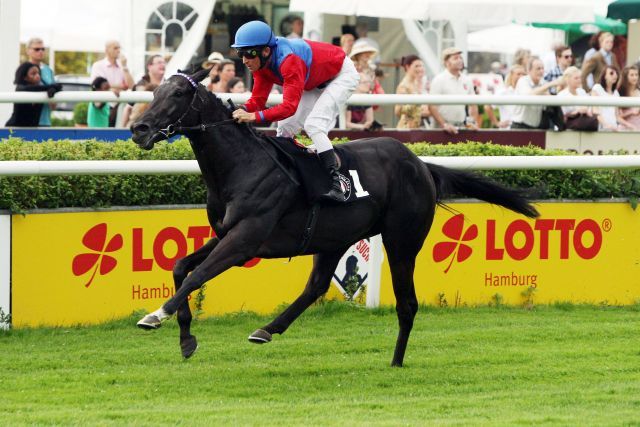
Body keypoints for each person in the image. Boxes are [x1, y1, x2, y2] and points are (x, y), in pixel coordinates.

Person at [230, 20, 359, 202]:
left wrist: (252, 116)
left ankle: (338, 182)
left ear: (265, 51)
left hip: (341, 75)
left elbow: (289, 107)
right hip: (314, 80)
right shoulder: (260, 63)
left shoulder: (288, 60)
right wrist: (241, 109)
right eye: (240, 53)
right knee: (284, 131)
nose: (244, 60)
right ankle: (287, 177)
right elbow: (258, 101)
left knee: (314, 125)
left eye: (247, 53)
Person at [429, 47, 478, 134]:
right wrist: (444, 124)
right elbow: (432, 106)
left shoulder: (467, 80)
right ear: (446, 62)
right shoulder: (439, 80)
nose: (460, 60)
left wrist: (472, 122)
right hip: (441, 130)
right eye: (455, 58)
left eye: (460, 58)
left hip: (461, 127)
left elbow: (473, 104)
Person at [511, 57, 564, 129]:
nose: (541, 71)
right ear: (529, 71)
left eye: (542, 68)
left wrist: (559, 89)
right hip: (520, 126)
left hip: (536, 128)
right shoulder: (523, 81)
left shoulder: (543, 83)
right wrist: (550, 84)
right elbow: (529, 95)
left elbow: (549, 100)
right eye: (538, 69)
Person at [90, 40, 135, 127]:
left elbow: (132, 86)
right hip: (104, 107)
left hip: (120, 106)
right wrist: (122, 86)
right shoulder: (98, 65)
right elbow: (99, 85)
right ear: (107, 50)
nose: (118, 50)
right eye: (115, 48)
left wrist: (125, 66)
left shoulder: (122, 65)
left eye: (119, 48)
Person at [5, 62, 62, 127]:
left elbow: (57, 87)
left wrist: (53, 89)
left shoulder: (41, 89)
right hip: (14, 128)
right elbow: (33, 88)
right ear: (24, 77)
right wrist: (53, 88)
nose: (37, 76)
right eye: (33, 74)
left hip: (32, 129)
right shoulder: (20, 88)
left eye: (38, 73)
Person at [25, 37, 56, 126]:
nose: (41, 51)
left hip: (45, 122)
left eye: (43, 49)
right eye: (37, 49)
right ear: (28, 51)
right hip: (27, 122)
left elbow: (54, 103)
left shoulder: (48, 70)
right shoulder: (23, 69)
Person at [395, 55, 430, 129]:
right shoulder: (403, 86)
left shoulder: (416, 83)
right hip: (406, 128)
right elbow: (397, 111)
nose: (420, 69)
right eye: (417, 66)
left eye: (422, 66)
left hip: (417, 127)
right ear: (407, 67)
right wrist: (418, 109)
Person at [558, 67, 598, 131]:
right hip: (570, 122)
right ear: (568, 80)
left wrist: (586, 110)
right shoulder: (562, 95)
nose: (579, 80)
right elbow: (562, 115)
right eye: (576, 78)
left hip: (584, 120)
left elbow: (589, 107)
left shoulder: (582, 92)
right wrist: (577, 111)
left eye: (580, 78)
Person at [487, 65, 526, 129]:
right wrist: (497, 123)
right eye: (518, 74)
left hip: (524, 130)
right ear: (512, 75)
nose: (521, 76)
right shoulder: (503, 92)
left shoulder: (527, 92)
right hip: (507, 130)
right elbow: (488, 107)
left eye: (524, 74)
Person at [590, 65, 620, 131]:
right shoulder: (597, 88)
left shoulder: (616, 93)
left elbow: (617, 115)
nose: (615, 75)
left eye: (616, 73)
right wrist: (606, 125)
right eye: (611, 73)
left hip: (614, 128)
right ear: (605, 76)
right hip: (601, 128)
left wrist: (627, 125)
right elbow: (595, 110)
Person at [617, 65, 640, 131]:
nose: (635, 77)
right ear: (626, 77)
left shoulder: (639, 91)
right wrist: (631, 112)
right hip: (625, 129)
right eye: (632, 75)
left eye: (636, 75)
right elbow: (617, 117)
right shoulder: (620, 93)